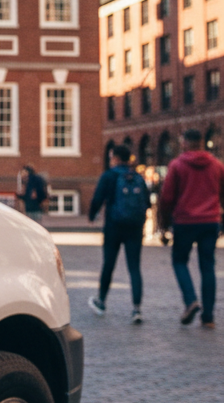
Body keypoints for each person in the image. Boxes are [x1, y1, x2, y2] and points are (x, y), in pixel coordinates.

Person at [158, 129, 224, 328]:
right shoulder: (217, 166)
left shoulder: (177, 165)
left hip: (185, 221)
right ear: (201, 143)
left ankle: (191, 300)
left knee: (179, 261)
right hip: (210, 221)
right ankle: (209, 317)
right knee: (207, 267)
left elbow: (167, 197)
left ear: (186, 142)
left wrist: (164, 224)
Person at [87, 144, 151, 324]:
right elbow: (147, 202)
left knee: (109, 264)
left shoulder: (109, 176)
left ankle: (101, 301)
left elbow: (98, 197)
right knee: (134, 267)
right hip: (135, 228)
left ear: (115, 157)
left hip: (114, 226)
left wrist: (92, 215)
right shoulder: (137, 177)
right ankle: (137, 309)